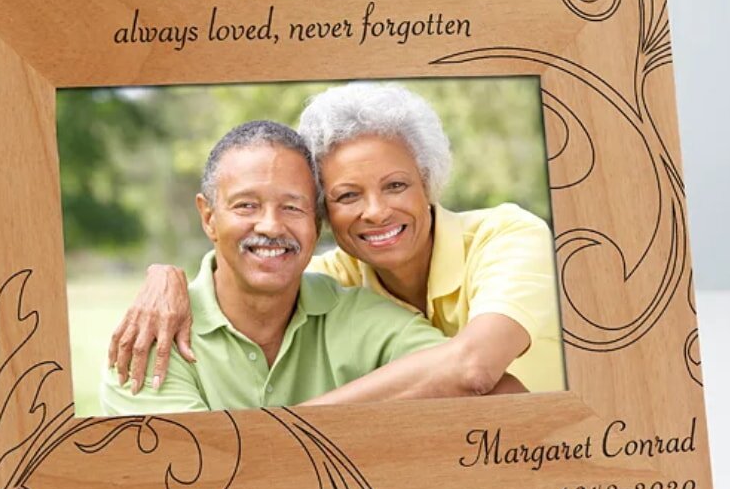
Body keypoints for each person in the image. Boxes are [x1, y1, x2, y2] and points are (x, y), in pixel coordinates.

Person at [107, 83, 565, 406]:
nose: (376, 212)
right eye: (348, 195)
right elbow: (254, 271)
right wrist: (165, 277)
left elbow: (475, 369)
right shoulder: (332, 283)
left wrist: (288, 429)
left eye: (396, 185)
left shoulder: (508, 236)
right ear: (323, 213)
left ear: (428, 183)